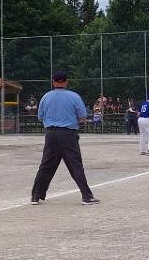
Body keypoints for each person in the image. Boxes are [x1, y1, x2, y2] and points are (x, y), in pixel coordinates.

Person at [30, 71, 98, 205]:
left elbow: (40, 117)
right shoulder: (74, 96)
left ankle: (35, 197)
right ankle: (87, 197)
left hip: (51, 134)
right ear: (66, 82)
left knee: (46, 166)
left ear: (53, 82)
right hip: (68, 134)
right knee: (75, 166)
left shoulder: (46, 97)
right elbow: (83, 117)